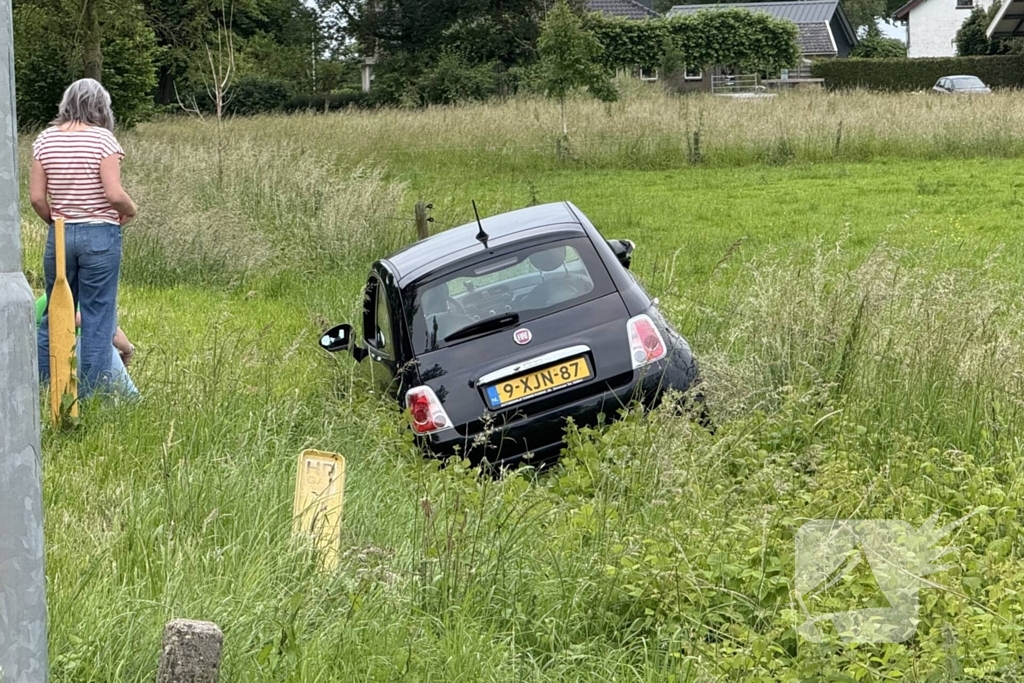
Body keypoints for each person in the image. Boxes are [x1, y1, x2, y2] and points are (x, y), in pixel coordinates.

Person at [30, 78, 137, 399]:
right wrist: (131, 209)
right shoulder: (103, 140)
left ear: (67, 104)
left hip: (60, 233)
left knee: (54, 313)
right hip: (100, 235)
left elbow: (36, 198)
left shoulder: (44, 139)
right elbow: (114, 194)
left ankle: (42, 389)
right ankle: (87, 397)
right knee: (97, 317)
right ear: (101, 107)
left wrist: (56, 221)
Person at [34, 293, 139, 399]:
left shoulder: (54, 294)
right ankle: (133, 398)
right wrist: (128, 351)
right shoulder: (66, 293)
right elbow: (106, 329)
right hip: (50, 358)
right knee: (101, 345)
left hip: (45, 364)